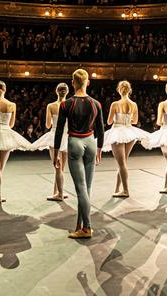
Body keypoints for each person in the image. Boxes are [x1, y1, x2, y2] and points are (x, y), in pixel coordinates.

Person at [54, 69, 105, 239]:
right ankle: (80, 225)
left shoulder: (66, 104)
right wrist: (99, 149)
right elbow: (101, 129)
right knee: (86, 189)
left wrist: (55, 153)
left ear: (73, 83)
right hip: (91, 142)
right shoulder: (96, 103)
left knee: (81, 189)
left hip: (75, 142)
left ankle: (87, 228)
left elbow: (59, 130)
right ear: (87, 82)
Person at [103, 81, 148, 197]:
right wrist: (127, 119)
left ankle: (126, 190)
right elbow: (135, 121)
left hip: (118, 132)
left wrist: (117, 118)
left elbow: (109, 121)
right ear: (129, 90)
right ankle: (118, 188)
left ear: (119, 90)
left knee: (122, 164)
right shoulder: (134, 104)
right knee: (123, 163)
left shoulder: (115, 104)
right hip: (129, 132)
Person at [31, 83, 70, 201]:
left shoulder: (51, 106)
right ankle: (57, 191)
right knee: (62, 168)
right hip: (67, 137)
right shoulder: (70, 104)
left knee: (57, 167)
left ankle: (60, 194)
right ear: (67, 92)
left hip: (55, 136)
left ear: (56, 91)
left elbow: (48, 125)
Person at [141, 81, 167, 194]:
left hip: (166, 132)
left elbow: (158, 122)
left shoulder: (162, 104)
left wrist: (163, 120)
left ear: (166, 90)